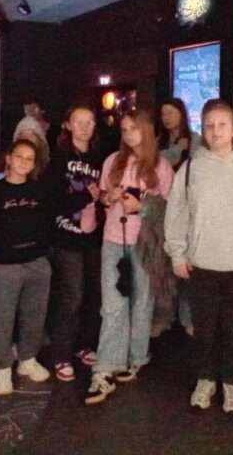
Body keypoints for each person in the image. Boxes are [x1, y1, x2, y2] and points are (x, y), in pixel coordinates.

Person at [164, 98, 233, 414]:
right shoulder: (191, 169)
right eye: (209, 125)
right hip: (202, 264)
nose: (216, 131)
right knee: (205, 329)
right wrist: (177, 254)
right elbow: (177, 214)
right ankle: (206, 380)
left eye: (222, 124)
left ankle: (232, 385)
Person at [84, 109, 174, 405]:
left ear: (146, 129)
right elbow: (103, 197)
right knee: (112, 304)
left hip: (145, 242)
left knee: (142, 301)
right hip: (113, 238)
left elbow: (171, 209)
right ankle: (106, 366)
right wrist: (108, 197)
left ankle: (137, 356)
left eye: (133, 128)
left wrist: (142, 206)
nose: (128, 134)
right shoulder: (113, 160)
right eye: (124, 129)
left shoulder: (161, 165)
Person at [0, 139, 53, 395]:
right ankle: (2, 369)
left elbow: (47, 222)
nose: (23, 162)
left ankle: (27, 360)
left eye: (29, 159)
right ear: (9, 159)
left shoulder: (39, 190)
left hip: (36, 262)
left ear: (34, 164)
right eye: (19, 156)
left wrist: (43, 253)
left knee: (34, 315)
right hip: (6, 265)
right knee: (2, 318)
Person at [46, 104, 104, 382]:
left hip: (93, 236)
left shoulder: (100, 157)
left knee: (93, 293)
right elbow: (53, 201)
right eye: (78, 121)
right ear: (67, 125)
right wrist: (86, 197)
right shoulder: (58, 158)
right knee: (72, 295)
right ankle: (61, 354)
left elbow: (104, 196)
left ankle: (84, 344)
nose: (84, 127)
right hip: (65, 236)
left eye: (89, 121)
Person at [152, 97, 201, 338]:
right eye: (163, 114)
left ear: (182, 113)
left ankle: (188, 317)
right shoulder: (159, 141)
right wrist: (176, 150)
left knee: (187, 265)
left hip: (188, 207)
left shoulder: (196, 140)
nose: (167, 118)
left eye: (171, 112)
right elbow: (156, 164)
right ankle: (165, 317)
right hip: (161, 206)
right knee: (164, 266)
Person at [13, 116, 51, 180]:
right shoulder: (8, 166)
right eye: (22, 134)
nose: (26, 138)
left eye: (31, 134)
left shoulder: (50, 169)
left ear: (39, 140)